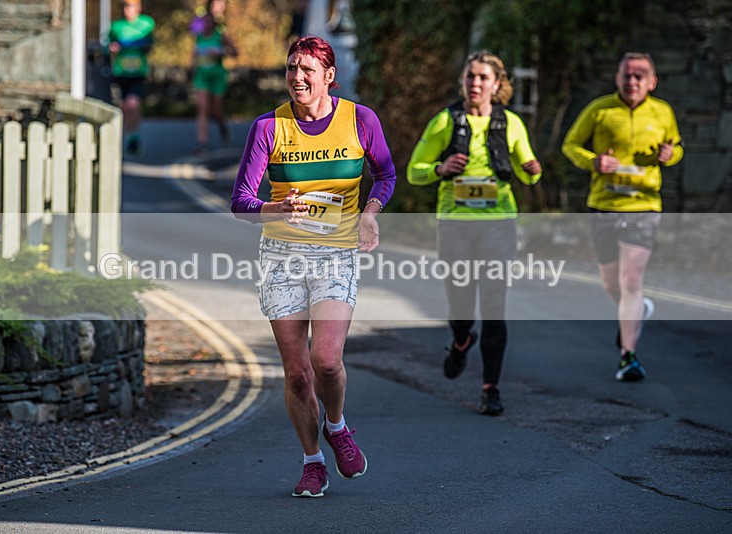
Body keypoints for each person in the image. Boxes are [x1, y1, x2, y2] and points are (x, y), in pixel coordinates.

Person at [230, 35, 396, 497]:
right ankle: (312, 462)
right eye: (290, 69)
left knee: (326, 361)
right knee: (298, 372)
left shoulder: (360, 120)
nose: (297, 77)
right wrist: (275, 209)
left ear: (328, 77)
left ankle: (338, 426)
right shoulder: (269, 127)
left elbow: (385, 174)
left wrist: (369, 214)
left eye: (307, 70)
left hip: (336, 254)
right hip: (281, 257)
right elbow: (241, 202)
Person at [407, 51, 542, 416]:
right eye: (470, 77)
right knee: (462, 305)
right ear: (462, 81)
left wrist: (532, 169)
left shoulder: (510, 123)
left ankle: (491, 388)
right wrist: (440, 168)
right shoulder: (445, 122)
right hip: (456, 225)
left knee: (494, 307)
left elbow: (529, 172)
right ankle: (461, 339)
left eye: (483, 78)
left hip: (499, 224)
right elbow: (413, 172)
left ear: (496, 85)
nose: (476, 83)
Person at [562, 52, 683, 382]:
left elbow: (676, 149)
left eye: (639, 75)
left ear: (652, 81)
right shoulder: (600, 109)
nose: (632, 81)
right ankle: (637, 310)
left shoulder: (663, 112)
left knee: (631, 280)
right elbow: (570, 145)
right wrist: (594, 161)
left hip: (644, 207)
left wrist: (670, 156)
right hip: (604, 204)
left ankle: (628, 356)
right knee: (611, 283)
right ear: (617, 78)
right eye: (627, 75)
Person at [106, 0, 155, 156]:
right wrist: (113, 48)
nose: (128, 9)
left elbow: (151, 44)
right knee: (125, 107)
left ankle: (133, 137)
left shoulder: (147, 24)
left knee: (132, 104)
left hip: (138, 72)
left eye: (131, 6)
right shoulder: (116, 26)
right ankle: (130, 135)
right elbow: (108, 43)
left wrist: (142, 46)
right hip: (121, 72)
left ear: (138, 8)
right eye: (125, 6)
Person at [190, 12, 237, 153]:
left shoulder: (220, 36)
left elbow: (234, 52)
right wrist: (192, 70)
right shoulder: (198, 38)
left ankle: (223, 126)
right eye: (204, 22)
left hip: (217, 77)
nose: (206, 25)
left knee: (216, 111)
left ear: (213, 24)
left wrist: (221, 52)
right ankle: (202, 142)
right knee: (203, 108)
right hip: (202, 77)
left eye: (209, 22)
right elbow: (194, 56)